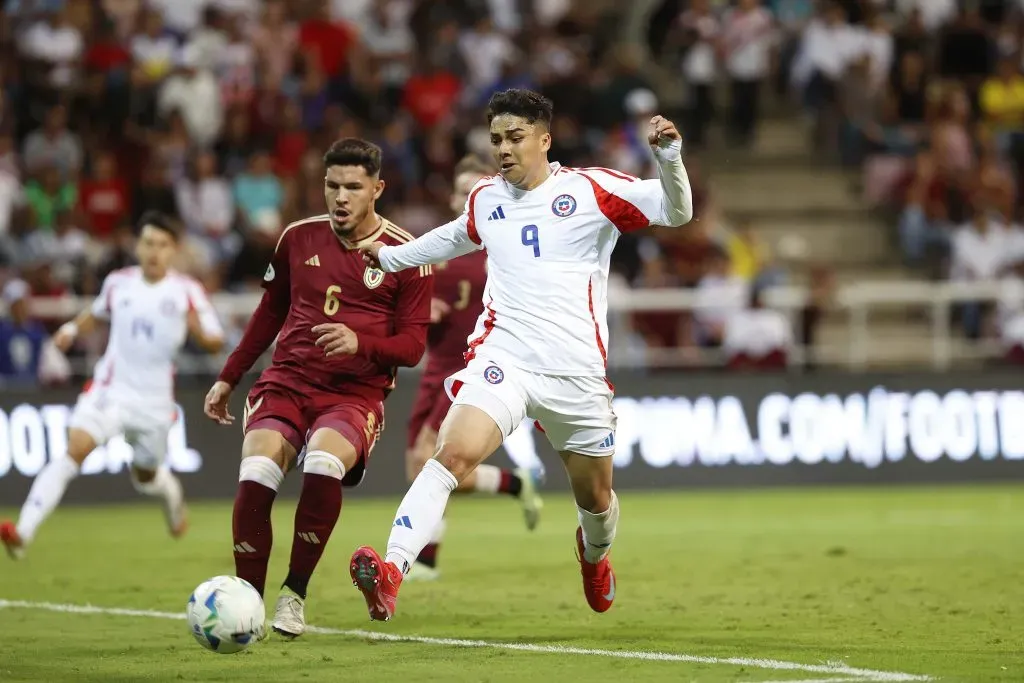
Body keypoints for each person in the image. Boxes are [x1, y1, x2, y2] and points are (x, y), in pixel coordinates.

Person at [349, 88, 693, 621]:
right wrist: (391, 258)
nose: (503, 149)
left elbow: (676, 211)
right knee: (450, 456)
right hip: (504, 358)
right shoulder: (486, 198)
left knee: (597, 502)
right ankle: (393, 571)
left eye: (514, 138)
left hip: (575, 374)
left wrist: (668, 157)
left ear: (544, 139)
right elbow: (447, 239)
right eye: (495, 140)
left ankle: (593, 557)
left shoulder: (591, 190)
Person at [203, 138, 432, 638]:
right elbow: (270, 313)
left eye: (353, 186)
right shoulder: (297, 238)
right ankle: (247, 601)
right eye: (332, 186)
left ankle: (294, 594)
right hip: (286, 381)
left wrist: (359, 342)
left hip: (354, 393)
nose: (340, 197)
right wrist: (229, 375)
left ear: (377, 188)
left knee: (323, 464)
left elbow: (413, 346)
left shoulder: (408, 252)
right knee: (257, 473)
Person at [1, 212, 225, 560]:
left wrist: (198, 329)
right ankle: (23, 533)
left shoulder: (187, 292)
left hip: (153, 404)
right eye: (148, 243)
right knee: (74, 449)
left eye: (162, 245)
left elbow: (216, 341)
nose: (154, 252)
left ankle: (173, 498)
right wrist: (72, 330)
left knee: (146, 476)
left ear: (173, 251)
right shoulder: (119, 282)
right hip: (111, 390)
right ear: (138, 246)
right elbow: (95, 312)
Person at [404, 154, 545, 583]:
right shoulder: (441, 244)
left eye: (474, 189)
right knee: (420, 462)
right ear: (452, 196)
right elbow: (409, 300)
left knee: (428, 459)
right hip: (434, 366)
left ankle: (425, 557)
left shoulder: (501, 248)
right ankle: (514, 485)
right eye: (461, 190)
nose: (468, 197)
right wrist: (420, 311)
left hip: (470, 367)